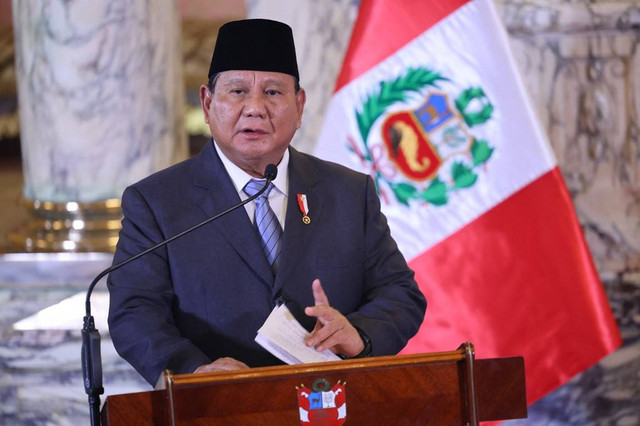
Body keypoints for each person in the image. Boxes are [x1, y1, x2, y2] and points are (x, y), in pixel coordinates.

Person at [107, 18, 426, 386]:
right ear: (208, 103)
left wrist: (359, 334)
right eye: (238, 91)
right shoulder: (156, 202)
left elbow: (401, 293)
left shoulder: (348, 192)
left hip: (329, 405)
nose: (255, 108)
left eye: (273, 93)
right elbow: (135, 311)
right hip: (214, 408)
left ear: (300, 104)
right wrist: (193, 371)